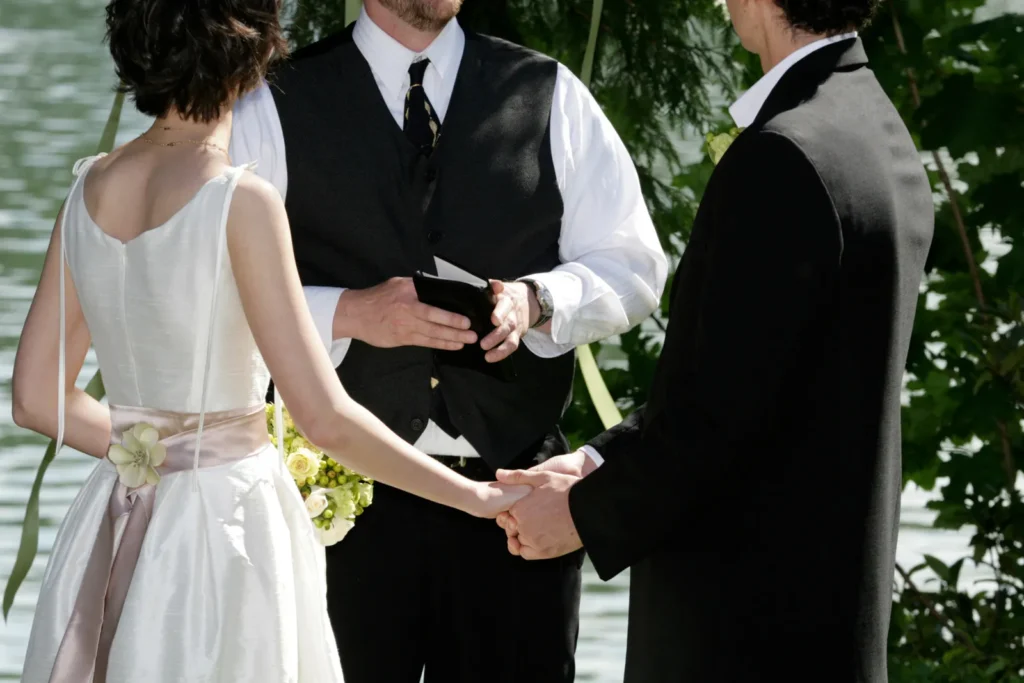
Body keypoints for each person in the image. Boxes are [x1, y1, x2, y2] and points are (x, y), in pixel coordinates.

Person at [11, 2, 527, 681]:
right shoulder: (237, 201)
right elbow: (323, 417)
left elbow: (36, 399)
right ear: (250, 52)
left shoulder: (88, 189)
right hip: (227, 529)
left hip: (113, 511)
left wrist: (148, 448)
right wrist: (478, 497)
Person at [497, 1, 934, 681]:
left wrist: (584, 514)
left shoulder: (782, 155)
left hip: (743, 626)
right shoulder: (877, 131)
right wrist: (595, 461)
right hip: (831, 613)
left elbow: (721, 418)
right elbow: (759, 383)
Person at [230, 1, 667, 681]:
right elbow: (217, 291)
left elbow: (634, 264)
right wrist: (348, 312)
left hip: (516, 509)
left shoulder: (549, 94)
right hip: (340, 520)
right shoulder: (269, 103)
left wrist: (540, 299)